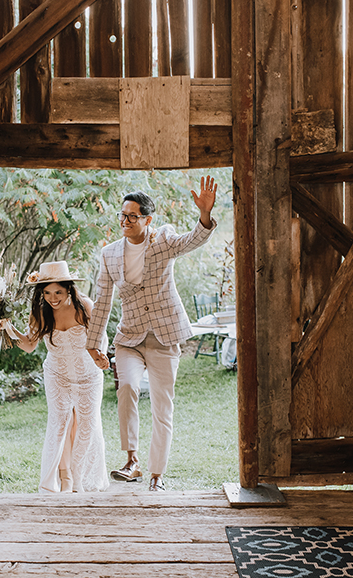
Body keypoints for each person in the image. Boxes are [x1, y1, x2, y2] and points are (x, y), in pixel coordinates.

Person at [86, 175, 218, 491]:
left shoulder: (163, 239)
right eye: (122, 215)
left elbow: (192, 240)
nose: (126, 221)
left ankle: (156, 474)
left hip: (163, 335)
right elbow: (103, 300)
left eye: (133, 216)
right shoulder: (110, 254)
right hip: (129, 337)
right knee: (127, 388)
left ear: (147, 219)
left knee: (162, 406)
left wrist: (203, 215)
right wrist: (93, 343)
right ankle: (131, 462)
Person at [0, 261, 110, 493]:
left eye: (58, 291)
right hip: (57, 376)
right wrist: (8, 328)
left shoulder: (85, 307)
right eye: (47, 292)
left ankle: (80, 479)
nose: (52, 298)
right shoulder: (41, 312)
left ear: (69, 288)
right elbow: (29, 345)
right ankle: (64, 479)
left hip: (88, 376)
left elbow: (100, 339)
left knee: (87, 426)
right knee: (59, 425)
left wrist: (100, 357)